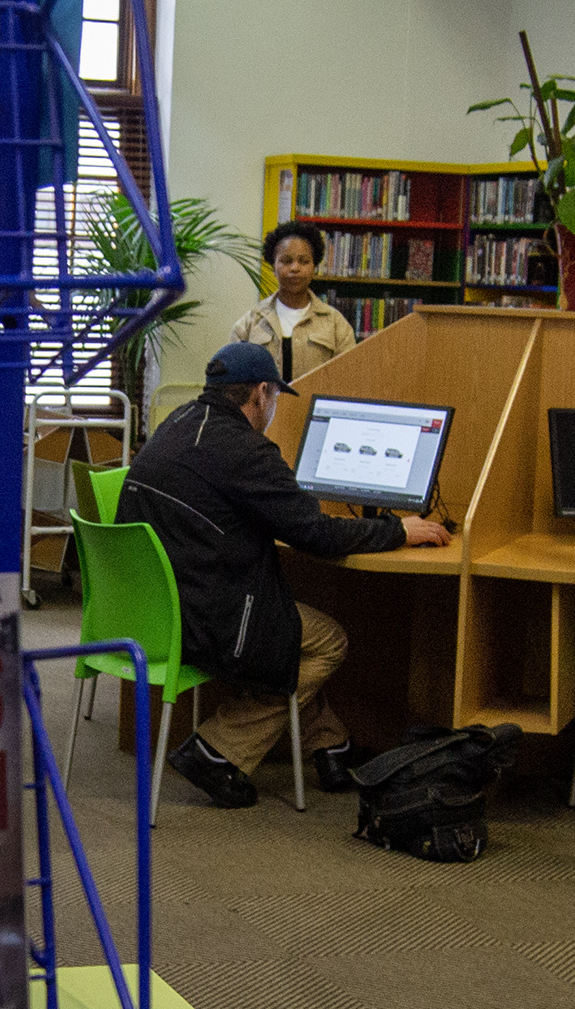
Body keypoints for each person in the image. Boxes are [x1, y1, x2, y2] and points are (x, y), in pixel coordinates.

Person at [128, 342, 450, 807]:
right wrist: (396, 530)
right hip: (207, 615)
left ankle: (331, 745)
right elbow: (317, 534)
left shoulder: (177, 422)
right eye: (274, 397)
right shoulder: (246, 451)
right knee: (325, 640)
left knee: (286, 634)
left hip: (156, 605)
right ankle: (218, 750)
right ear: (261, 393)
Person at [229, 222, 358, 384]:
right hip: (265, 409)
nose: (295, 268)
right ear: (273, 266)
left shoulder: (335, 324)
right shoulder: (249, 324)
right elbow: (234, 384)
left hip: (314, 408)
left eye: (304, 261)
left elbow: (350, 379)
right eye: (286, 261)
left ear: (314, 267)